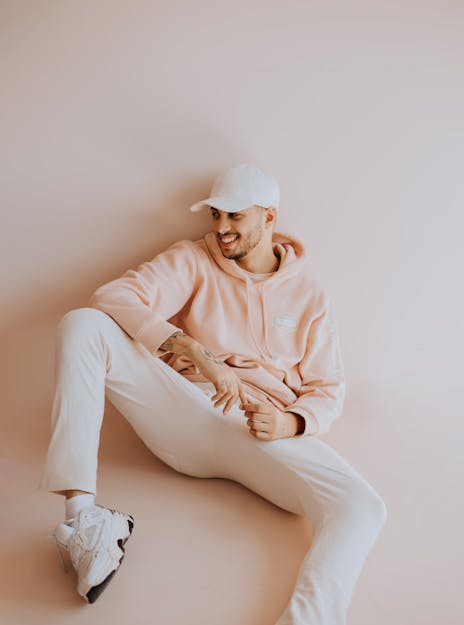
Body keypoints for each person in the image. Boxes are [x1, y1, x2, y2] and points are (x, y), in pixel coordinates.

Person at [39, 163, 387, 623]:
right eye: (215, 215)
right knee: (83, 324)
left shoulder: (311, 297)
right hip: (182, 408)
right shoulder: (192, 259)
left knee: (362, 507)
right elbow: (113, 296)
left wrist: (290, 422)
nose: (221, 228)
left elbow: (327, 389)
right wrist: (193, 350)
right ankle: (86, 522)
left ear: (268, 217)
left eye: (235, 217)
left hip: (259, 431)